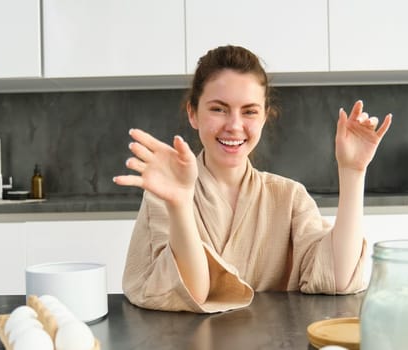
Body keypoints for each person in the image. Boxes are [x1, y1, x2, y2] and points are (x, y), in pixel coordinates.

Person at [113, 45, 392, 313]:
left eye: (249, 111)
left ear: (264, 117)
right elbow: (191, 293)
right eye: (219, 109)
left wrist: (353, 171)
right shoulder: (164, 197)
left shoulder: (289, 197)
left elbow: (338, 279)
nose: (234, 125)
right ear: (192, 113)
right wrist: (181, 203)